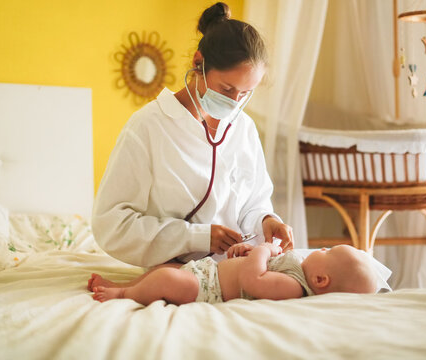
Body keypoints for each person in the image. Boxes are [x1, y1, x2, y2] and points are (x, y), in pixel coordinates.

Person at [91, 2, 292, 269]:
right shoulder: (148, 127)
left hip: (236, 269)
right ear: (199, 64)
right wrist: (198, 237)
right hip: (172, 274)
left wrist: (267, 220)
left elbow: (252, 202)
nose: (235, 102)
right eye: (227, 88)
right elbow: (112, 224)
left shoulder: (243, 128)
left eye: (245, 93)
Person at [88, 244, 377, 305]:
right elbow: (255, 268)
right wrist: (248, 251)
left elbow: (254, 281)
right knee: (164, 270)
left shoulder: (293, 287)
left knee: (167, 280)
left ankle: (125, 294)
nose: (321, 248)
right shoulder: (296, 269)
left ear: (321, 280)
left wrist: (263, 251)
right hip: (208, 272)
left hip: (205, 290)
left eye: (327, 252)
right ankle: (124, 283)